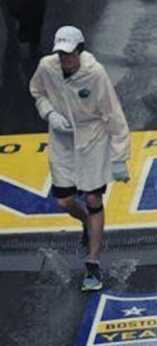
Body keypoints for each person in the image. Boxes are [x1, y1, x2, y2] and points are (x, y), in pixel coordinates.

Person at [29, 26, 131, 292]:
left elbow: (113, 114)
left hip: (92, 140)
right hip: (62, 143)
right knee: (64, 200)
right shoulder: (46, 67)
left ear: (80, 51)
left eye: (70, 54)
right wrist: (49, 113)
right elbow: (37, 92)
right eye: (61, 54)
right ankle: (87, 223)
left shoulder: (95, 74)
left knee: (93, 198)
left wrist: (119, 158)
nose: (65, 60)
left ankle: (93, 263)